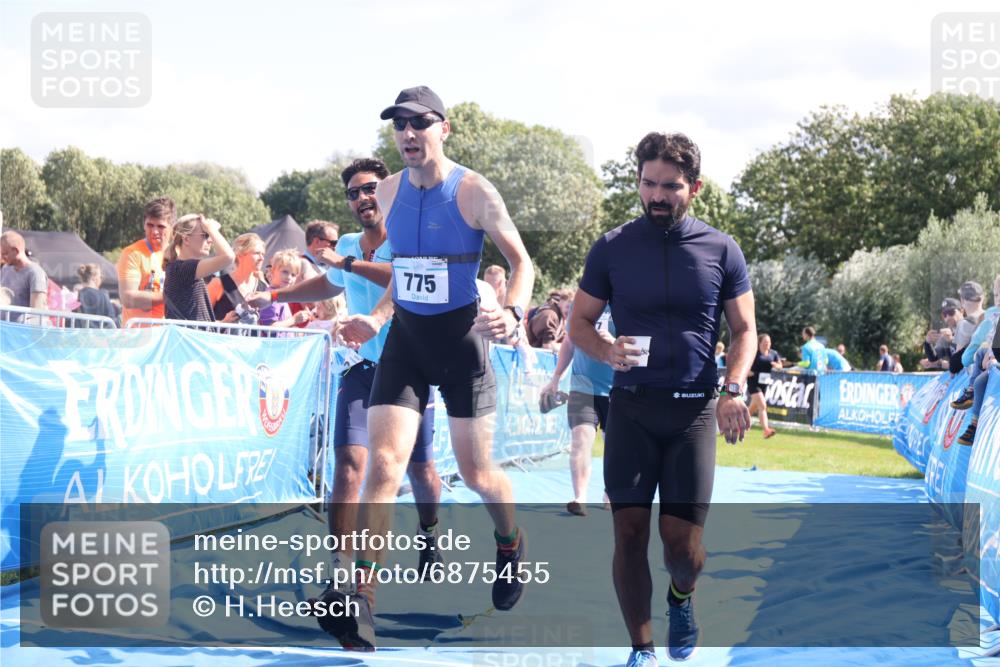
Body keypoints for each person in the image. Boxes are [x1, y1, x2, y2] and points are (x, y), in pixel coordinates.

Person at [331, 87, 535, 650]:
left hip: (464, 340)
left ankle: (510, 541)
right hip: (409, 341)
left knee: (476, 473)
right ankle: (362, 600)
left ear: (444, 128)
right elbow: (406, 273)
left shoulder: (473, 191)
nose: (407, 134)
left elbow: (521, 262)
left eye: (419, 123)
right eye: (399, 125)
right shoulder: (390, 190)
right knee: (384, 465)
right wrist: (376, 320)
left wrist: (512, 311)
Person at [570, 131, 755, 665]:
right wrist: (605, 351)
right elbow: (579, 323)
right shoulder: (612, 246)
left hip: (693, 415)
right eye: (648, 183)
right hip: (630, 409)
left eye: (669, 186)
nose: (656, 195)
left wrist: (733, 388)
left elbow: (744, 330)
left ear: (693, 188)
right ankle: (642, 649)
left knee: (683, 553)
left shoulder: (722, 248)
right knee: (628, 532)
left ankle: (682, 597)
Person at [247, 157, 447, 645]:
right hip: (363, 372)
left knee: (420, 472)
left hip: (412, 372)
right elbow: (332, 282)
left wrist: (351, 267)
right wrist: (279, 292)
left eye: (370, 189)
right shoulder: (351, 247)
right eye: (354, 193)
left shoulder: (411, 235)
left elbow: (400, 283)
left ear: (391, 192)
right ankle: (345, 583)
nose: (362, 198)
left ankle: (430, 532)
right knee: (352, 469)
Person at [540, 303, 615, 516]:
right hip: (583, 387)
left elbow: (642, 344)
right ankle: (579, 497)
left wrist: (615, 344)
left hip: (618, 389)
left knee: (616, 446)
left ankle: (610, 493)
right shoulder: (581, 303)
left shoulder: (627, 298)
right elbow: (570, 342)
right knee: (580, 440)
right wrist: (555, 377)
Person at [162, 215, 235, 322]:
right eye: (205, 235)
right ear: (186, 239)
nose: (210, 241)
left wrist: (222, 323)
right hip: (187, 338)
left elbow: (196, 317)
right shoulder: (182, 269)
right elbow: (229, 257)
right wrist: (211, 229)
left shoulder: (182, 269)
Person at [117, 197, 174, 326]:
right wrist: (171, 296)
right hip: (137, 339)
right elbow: (128, 298)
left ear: (172, 228)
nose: (154, 231)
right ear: (144, 224)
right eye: (150, 225)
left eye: (161, 226)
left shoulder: (178, 254)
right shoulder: (132, 253)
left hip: (168, 337)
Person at [208, 233, 268, 323]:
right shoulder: (219, 283)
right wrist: (222, 323)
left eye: (263, 254)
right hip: (222, 336)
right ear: (240, 254)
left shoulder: (263, 287)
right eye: (256, 253)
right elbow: (200, 318)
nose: (261, 258)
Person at [258, 249, 313, 328]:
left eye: (293, 275)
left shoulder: (280, 296)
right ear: (272, 271)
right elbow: (269, 329)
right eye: (285, 272)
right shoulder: (271, 298)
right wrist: (294, 320)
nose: (289, 277)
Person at [1, 231, 48, 315]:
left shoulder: (35, 273)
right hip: (4, 327)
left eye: (5, 254)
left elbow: (37, 311)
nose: (2, 257)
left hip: (22, 327)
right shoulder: (5, 269)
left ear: (15, 251)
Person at [747, 334, 781, 438]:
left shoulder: (773, 353)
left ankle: (739, 425)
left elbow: (780, 365)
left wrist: (776, 366)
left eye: (769, 342)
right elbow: (745, 365)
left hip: (764, 384)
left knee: (752, 408)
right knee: (762, 405)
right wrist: (748, 372)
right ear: (760, 342)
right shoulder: (754, 353)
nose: (768, 344)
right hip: (753, 383)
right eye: (765, 342)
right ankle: (766, 430)